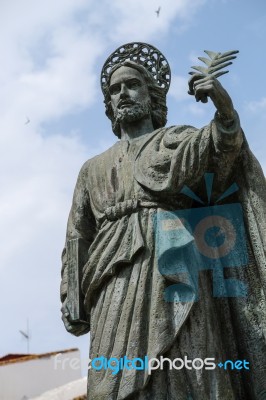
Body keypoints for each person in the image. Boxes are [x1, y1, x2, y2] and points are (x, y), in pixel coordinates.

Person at [60, 43, 266, 399]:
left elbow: (221, 152)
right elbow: (78, 236)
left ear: (152, 96)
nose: (122, 93)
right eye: (114, 89)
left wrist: (224, 108)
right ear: (108, 104)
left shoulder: (174, 140)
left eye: (131, 84)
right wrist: (72, 299)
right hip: (112, 281)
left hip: (173, 265)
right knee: (108, 382)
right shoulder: (92, 169)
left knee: (191, 363)